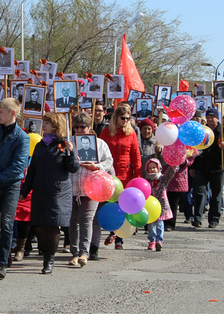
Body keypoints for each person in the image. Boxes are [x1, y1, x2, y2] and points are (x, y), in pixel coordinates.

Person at [21, 113, 79, 274]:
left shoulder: (63, 144)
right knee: (39, 225)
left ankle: (49, 260)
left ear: (56, 125)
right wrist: (24, 191)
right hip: (40, 190)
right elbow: (32, 170)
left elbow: (73, 168)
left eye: (47, 123)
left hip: (57, 192)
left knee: (53, 225)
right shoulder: (40, 145)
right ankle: (45, 253)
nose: (44, 125)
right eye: (44, 122)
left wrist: (71, 153)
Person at [0, 98, 30, 279]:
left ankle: (1, 265)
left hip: (10, 185)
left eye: (1, 112)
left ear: (13, 114)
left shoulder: (22, 137)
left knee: (6, 224)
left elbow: (18, 167)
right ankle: (0, 259)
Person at [69, 112, 113, 265]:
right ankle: (74, 252)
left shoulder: (100, 144)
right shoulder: (69, 142)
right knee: (72, 221)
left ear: (89, 127)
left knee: (86, 221)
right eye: (77, 127)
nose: (80, 130)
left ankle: (84, 253)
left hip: (91, 189)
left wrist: (98, 166)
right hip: (72, 188)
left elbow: (109, 161)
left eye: (83, 127)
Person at [100, 103, 142, 249]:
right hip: (109, 174)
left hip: (125, 176)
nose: (126, 121)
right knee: (109, 205)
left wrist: (138, 178)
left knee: (123, 206)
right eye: (123, 118)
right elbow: (100, 153)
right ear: (116, 117)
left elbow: (136, 157)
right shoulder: (106, 132)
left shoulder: (132, 133)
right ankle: (111, 230)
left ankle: (118, 238)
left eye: (128, 118)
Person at [190, 109, 224, 228]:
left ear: (217, 118)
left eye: (212, 117)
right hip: (202, 167)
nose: (210, 119)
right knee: (199, 192)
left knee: (216, 195)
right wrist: (193, 167)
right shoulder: (202, 131)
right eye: (208, 117)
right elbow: (196, 149)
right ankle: (198, 218)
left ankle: (214, 219)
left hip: (218, 168)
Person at [145, 159, 177, 251]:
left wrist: (173, 166)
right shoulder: (146, 180)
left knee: (159, 223)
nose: (152, 170)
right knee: (151, 225)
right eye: (150, 168)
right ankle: (152, 241)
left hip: (161, 206)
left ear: (158, 168)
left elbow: (170, 174)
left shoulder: (162, 179)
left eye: (154, 167)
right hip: (150, 207)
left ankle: (159, 240)